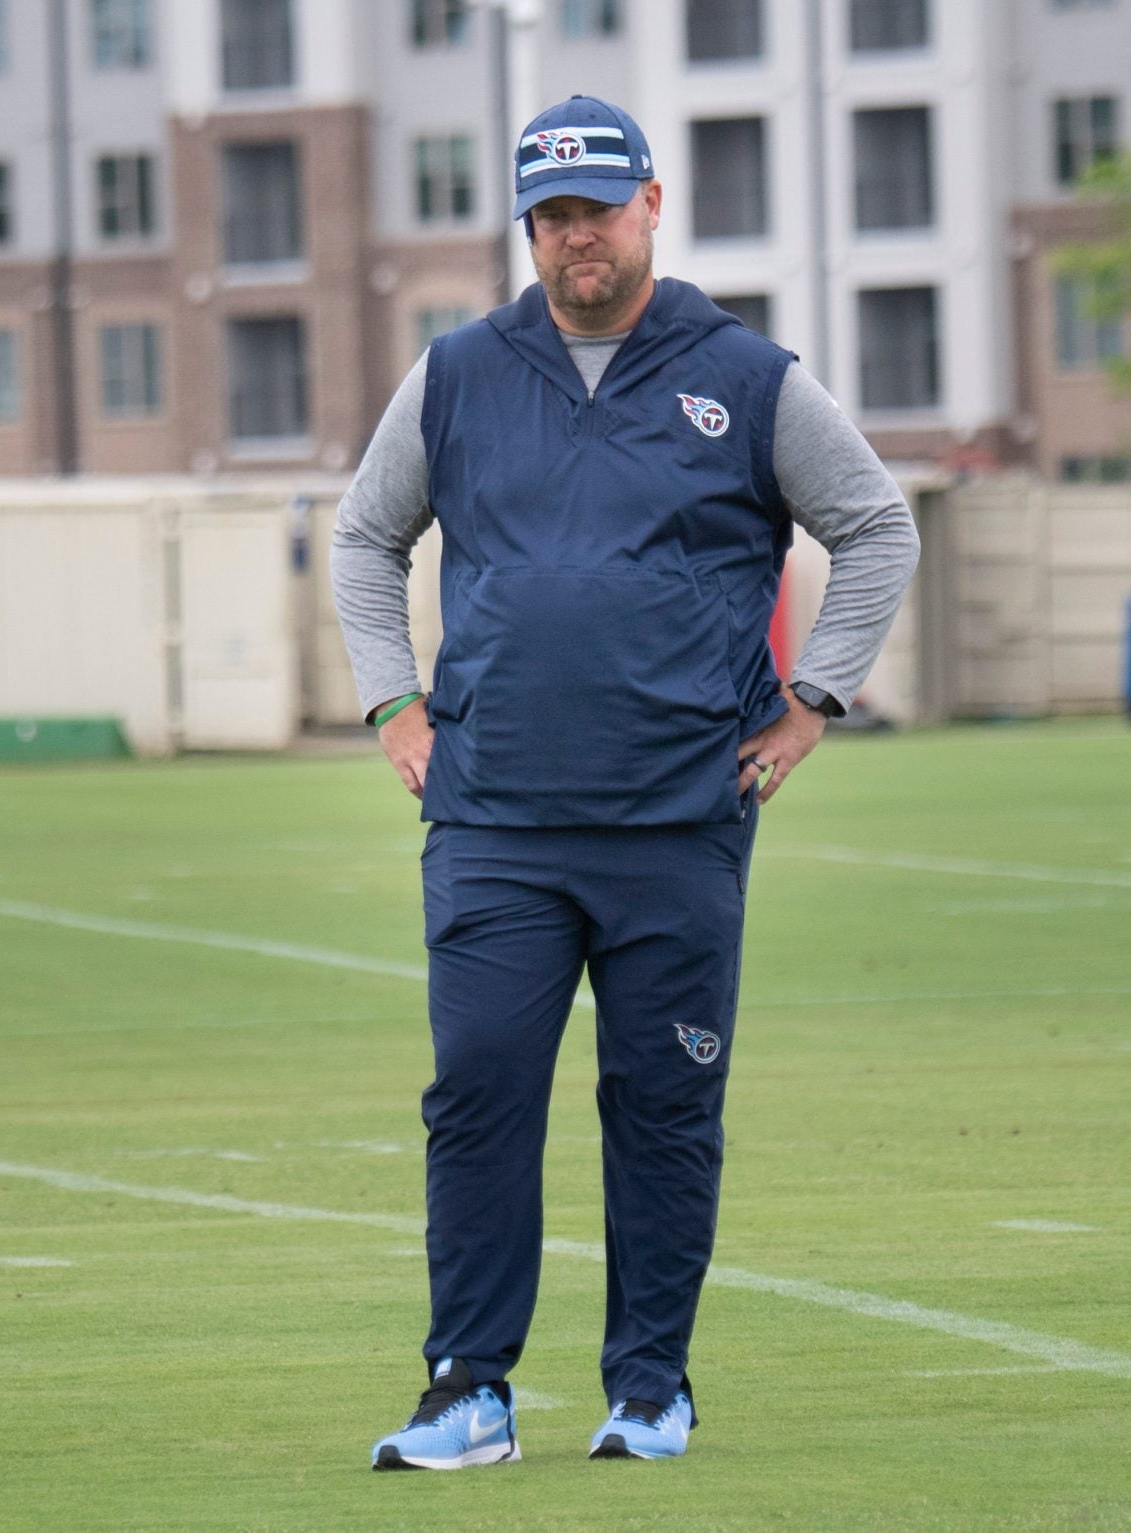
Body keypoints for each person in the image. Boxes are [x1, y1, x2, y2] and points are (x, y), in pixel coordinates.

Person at [333, 97, 919, 1469]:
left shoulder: (751, 377)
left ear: (653, 204)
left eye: (596, 208)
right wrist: (392, 702)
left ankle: (650, 1384)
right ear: (526, 227)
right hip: (494, 820)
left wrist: (814, 702)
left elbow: (876, 527)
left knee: (662, 1107)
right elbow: (367, 538)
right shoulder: (460, 373)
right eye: (550, 215)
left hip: (678, 823)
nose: (574, 236)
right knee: (476, 1090)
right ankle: (464, 1390)